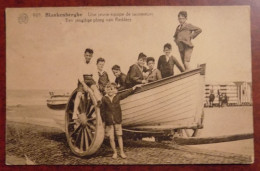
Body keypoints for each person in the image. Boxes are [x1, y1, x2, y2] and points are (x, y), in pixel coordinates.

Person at [101, 82, 142, 159]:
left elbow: (126, 93)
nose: (110, 91)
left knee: (119, 136)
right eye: (108, 89)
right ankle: (115, 152)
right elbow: (102, 111)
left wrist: (134, 87)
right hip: (109, 122)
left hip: (117, 120)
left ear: (114, 90)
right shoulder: (104, 98)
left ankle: (122, 152)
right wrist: (103, 122)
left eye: (111, 89)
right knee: (111, 138)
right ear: (106, 90)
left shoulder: (118, 96)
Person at [72, 48, 102, 120]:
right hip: (83, 79)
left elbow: (95, 74)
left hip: (90, 79)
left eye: (89, 56)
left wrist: (96, 83)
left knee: (95, 90)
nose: (88, 57)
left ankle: (99, 102)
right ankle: (74, 112)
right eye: (87, 55)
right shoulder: (80, 63)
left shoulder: (93, 64)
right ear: (84, 55)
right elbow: (79, 75)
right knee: (79, 94)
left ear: (92, 56)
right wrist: (84, 85)